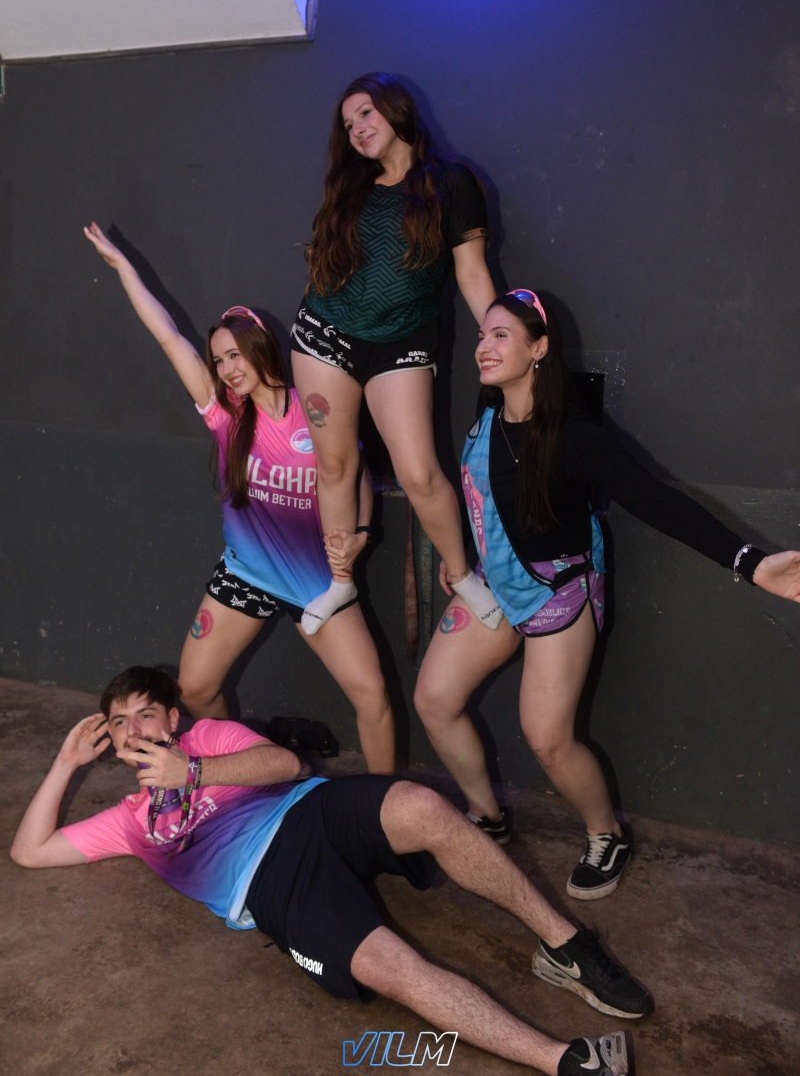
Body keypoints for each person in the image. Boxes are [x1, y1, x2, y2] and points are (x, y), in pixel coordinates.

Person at [10, 665, 652, 1076]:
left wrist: (193, 771)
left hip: (307, 809)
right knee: (387, 967)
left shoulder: (208, 740)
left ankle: (566, 946)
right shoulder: (129, 821)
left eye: (144, 713)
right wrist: (66, 762)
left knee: (422, 805)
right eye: (119, 722)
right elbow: (29, 852)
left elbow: (286, 766)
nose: (132, 728)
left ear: (172, 719)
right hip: (267, 883)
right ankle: (566, 1061)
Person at [414, 290, 800, 898]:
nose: (484, 347)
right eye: (483, 336)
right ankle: (488, 815)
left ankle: (606, 833)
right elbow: (486, 495)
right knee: (435, 699)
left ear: (539, 349)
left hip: (559, 588)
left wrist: (749, 563)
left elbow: (654, 499)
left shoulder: (574, 435)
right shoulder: (488, 414)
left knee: (548, 738)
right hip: (495, 578)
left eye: (501, 336)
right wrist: (459, 553)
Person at [83, 223, 395, 773]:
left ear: (260, 348)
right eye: (219, 360)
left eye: (234, 355)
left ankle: (387, 803)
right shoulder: (226, 413)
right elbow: (168, 336)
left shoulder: (314, 408)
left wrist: (362, 535)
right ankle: (245, 773)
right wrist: (124, 269)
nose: (227, 369)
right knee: (196, 689)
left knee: (372, 696)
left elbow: (357, 477)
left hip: (315, 582)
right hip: (245, 573)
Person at [291, 72, 502, 636]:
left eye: (365, 113)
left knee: (418, 473)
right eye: (347, 124)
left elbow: (471, 273)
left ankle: (460, 573)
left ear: (396, 108)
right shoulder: (350, 189)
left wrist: (500, 335)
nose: (357, 129)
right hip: (324, 336)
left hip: (403, 341)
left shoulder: (451, 182)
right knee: (335, 466)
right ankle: (340, 581)